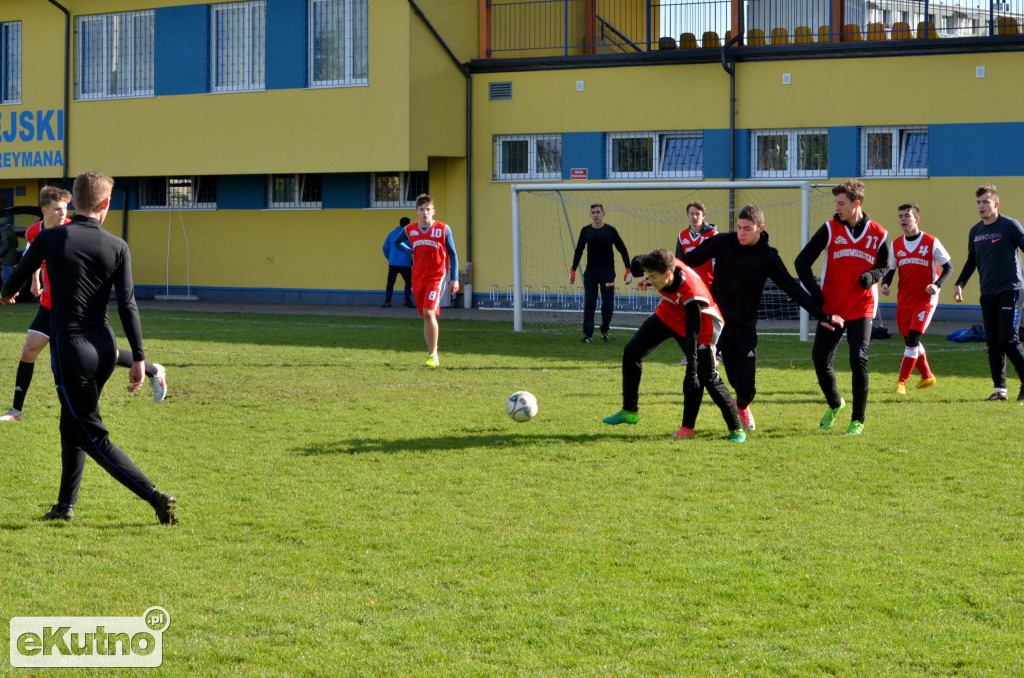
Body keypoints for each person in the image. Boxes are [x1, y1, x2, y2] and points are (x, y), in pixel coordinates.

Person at [0, 172, 177, 524]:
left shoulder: (49, 238)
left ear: (73, 203)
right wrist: (139, 358)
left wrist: (7, 293)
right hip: (104, 346)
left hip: (71, 349)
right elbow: (128, 306)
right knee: (72, 423)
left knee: (91, 433)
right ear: (105, 204)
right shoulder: (118, 245)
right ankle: (65, 506)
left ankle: (154, 495)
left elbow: (14, 280)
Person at [0, 186, 166, 422]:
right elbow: (31, 258)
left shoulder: (73, 231)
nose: (62, 214)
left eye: (65, 209)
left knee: (105, 354)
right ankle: (16, 410)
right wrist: (36, 280)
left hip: (76, 310)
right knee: (29, 351)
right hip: (49, 306)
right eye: (57, 209)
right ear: (44, 210)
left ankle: (153, 370)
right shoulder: (34, 232)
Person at [681, 204, 844, 432]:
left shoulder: (768, 257)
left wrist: (821, 315)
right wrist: (656, 272)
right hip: (717, 323)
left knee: (746, 390)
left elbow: (792, 288)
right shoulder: (722, 243)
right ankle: (688, 426)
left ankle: (742, 405)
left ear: (760, 228)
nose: (741, 233)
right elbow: (688, 260)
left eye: (747, 228)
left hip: (745, 327)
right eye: (739, 227)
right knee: (699, 371)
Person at [602, 248, 745, 443]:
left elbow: (693, 330)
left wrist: (692, 369)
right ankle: (630, 410)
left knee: (707, 378)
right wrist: (639, 272)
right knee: (631, 352)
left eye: (653, 277)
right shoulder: (661, 264)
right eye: (649, 275)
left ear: (668, 275)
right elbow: (639, 260)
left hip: (701, 326)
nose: (650, 280)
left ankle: (735, 429)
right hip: (668, 315)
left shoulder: (690, 289)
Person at [794, 179, 889, 437]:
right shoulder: (829, 229)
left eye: (841, 203)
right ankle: (836, 403)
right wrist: (817, 295)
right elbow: (801, 262)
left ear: (856, 204)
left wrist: (871, 276)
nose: (837, 207)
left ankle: (858, 420)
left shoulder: (879, 233)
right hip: (833, 307)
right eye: (836, 203)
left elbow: (885, 265)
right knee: (820, 361)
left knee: (858, 359)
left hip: (862, 306)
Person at [952, 184, 1024, 401]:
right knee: (993, 342)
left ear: (996, 204)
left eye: (985, 202)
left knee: (1008, 340)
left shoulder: (1009, 226)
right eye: (978, 202)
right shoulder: (975, 231)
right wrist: (959, 284)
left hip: (1010, 290)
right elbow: (971, 260)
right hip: (988, 293)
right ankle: (1000, 391)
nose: (981, 206)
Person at [880, 203, 953, 394]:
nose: (903, 219)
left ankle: (901, 382)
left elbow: (949, 267)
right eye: (900, 216)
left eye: (907, 216)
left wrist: (936, 285)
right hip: (904, 300)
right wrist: (886, 284)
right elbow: (891, 269)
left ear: (916, 219)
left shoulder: (931, 241)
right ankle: (927, 376)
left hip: (925, 300)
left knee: (912, 340)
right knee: (910, 342)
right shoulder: (896, 244)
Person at [392, 194, 459, 367]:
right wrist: (410, 251)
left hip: (437, 276)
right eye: (421, 210)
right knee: (426, 315)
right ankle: (432, 351)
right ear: (416, 212)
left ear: (433, 211)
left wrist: (455, 279)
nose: (425, 213)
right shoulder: (409, 230)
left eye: (428, 210)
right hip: (418, 276)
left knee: (429, 312)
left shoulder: (443, 229)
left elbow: (452, 253)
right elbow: (397, 243)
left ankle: (433, 355)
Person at [569, 204, 632, 344]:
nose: (596, 215)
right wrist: (573, 269)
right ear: (590, 215)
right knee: (589, 303)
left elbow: (622, 249)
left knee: (608, 304)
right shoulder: (585, 231)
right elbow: (579, 250)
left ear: (603, 214)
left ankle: (604, 331)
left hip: (607, 272)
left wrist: (628, 268)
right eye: (593, 212)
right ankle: (588, 335)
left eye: (598, 212)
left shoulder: (610, 231)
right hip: (591, 272)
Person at [381, 216, 414, 308]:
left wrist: (390, 257)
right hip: (405, 263)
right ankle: (407, 300)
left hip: (393, 262)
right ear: (408, 224)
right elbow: (413, 248)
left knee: (390, 282)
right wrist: (412, 260)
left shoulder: (391, 234)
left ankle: (387, 301)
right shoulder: (409, 235)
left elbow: (385, 248)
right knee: (409, 282)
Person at [0, 216, 17, 285]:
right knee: (6, 276)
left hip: (6, 259)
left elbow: (5, 246)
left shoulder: (3, 232)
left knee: (6, 278)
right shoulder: (12, 231)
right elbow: (16, 244)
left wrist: (0, 254)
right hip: (13, 256)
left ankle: (7, 293)